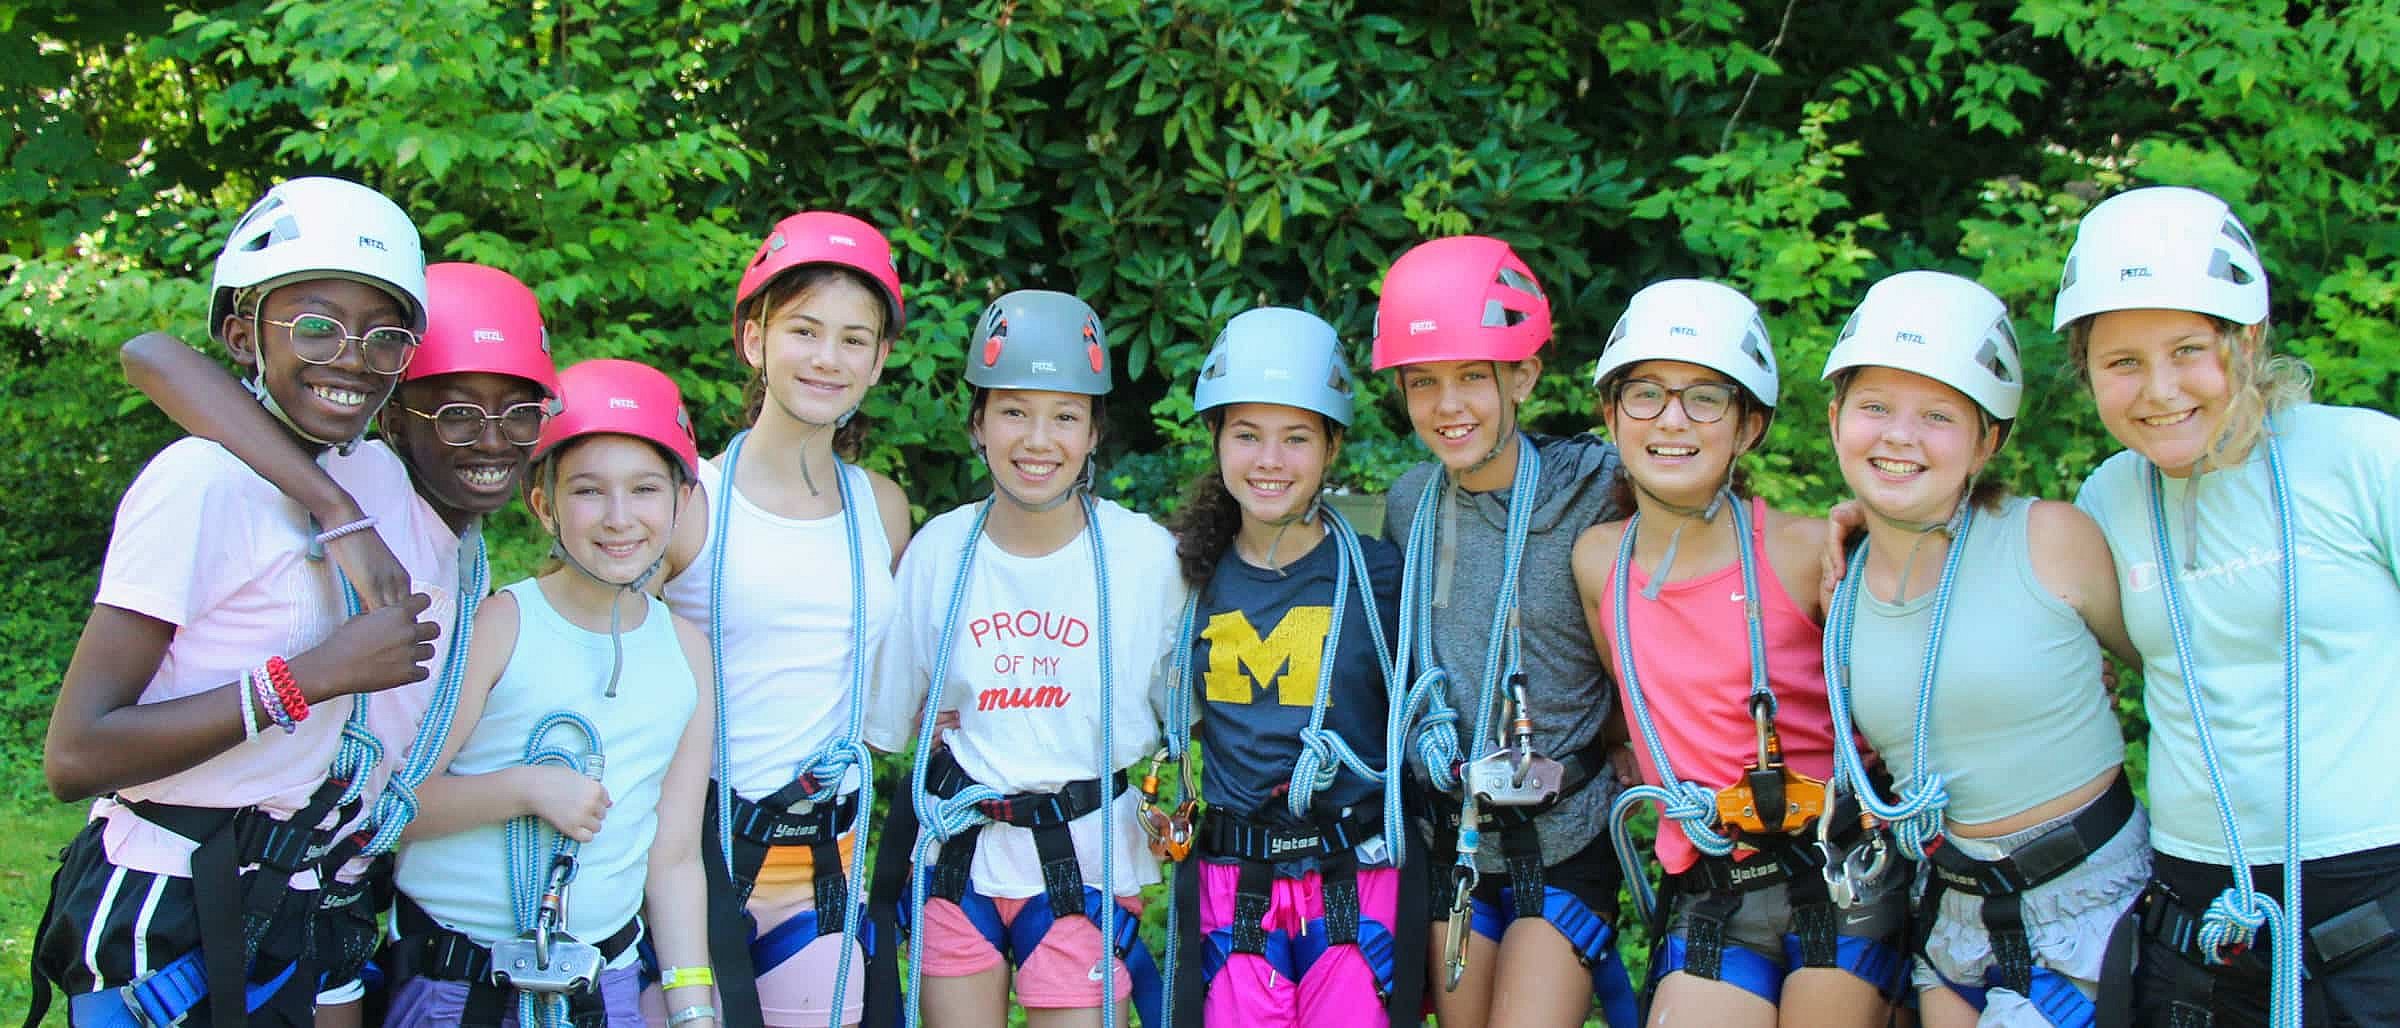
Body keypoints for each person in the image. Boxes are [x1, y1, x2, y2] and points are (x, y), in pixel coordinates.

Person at [30, 176, 439, 1028]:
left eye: (384, 336)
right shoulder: (197, 485)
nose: (353, 357)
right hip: (168, 902)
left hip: (288, 897)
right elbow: (75, 755)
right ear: (241, 336)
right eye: (319, 325)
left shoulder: (372, 473)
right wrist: (310, 678)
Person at [116, 259, 566, 1025]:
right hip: (216, 884)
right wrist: (338, 512)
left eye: (518, 413)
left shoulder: (467, 552)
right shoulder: (369, 482)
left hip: (331, 894)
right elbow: (152, 355)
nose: (490, 440)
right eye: (454, 413)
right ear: (393, 416)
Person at [2058, 186, 2400, 1026]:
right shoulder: (2109, 497)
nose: (2159, 390)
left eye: (2186, 350)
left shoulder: (2360, 455)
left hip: (2374, 894)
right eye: (2122, 363)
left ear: (2245, 344)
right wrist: (1865, 526)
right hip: (2201, 909)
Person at [1818, 270, 2146, 1026]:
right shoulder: (1840, 585)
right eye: (1875, 407)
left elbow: (2159, 669)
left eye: (1938, 415)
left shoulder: (2049, 540)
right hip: (1956, 920)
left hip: (2090, 900)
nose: (1899, 436)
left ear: (1986, 441)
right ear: (1836, 420)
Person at [1573, 278, 1905, 1026]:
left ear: (1748, 427)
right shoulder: (1599, 561)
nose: (1672, 420)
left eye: (1706, 398)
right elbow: (1629, 702)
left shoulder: (1801, 551)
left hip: (1840, 869)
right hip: (1715, 883)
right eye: (1646, 393)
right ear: (1611, 413)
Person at [866, 290, 1186, 1028]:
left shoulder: (1145, 559)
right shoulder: (940, 552)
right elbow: (889, 718)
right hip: (960, 862)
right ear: (977, 423)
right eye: (1013, 411)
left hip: (1090, 861)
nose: (1037, 439)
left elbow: (1188, 712)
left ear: (1094, 432)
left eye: (1065, 416)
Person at [380, 359, 717, 1028]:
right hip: (459, 983)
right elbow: (396, 807)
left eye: (646, 489)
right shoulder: (503, 624)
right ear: (544, 505)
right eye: (588, 491)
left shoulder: (687, 654)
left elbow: (674, 855)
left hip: (602, 985)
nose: (620, 518)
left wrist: (692, 1008)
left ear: (680, 503)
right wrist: (525, 789)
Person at [653, 211, 914, 1028]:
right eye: (804, 330)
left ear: (880, 360)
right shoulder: (688, 500)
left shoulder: (881, 507)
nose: (828, 358)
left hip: (823, 862)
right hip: (690, 855)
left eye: (853, 338)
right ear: (754, 338)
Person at [1372, 234, 1637, 1028]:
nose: (1448, 406)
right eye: (1425, 383)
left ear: (1522, 375)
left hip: (1565, 835)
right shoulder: (1410, 503)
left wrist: (1854, 520)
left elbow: (1702, 499)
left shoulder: (1596, 484)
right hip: (1454, 832)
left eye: (1472, 378)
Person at [1158, 307, 1421, 1026]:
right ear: (1215, 438)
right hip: (1233, 875)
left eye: (1296, 437)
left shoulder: (1379, 576)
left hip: (1356, 874)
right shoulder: (1183, 576)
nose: (1269, 460)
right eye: (1247, 434)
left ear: (1332, 447)